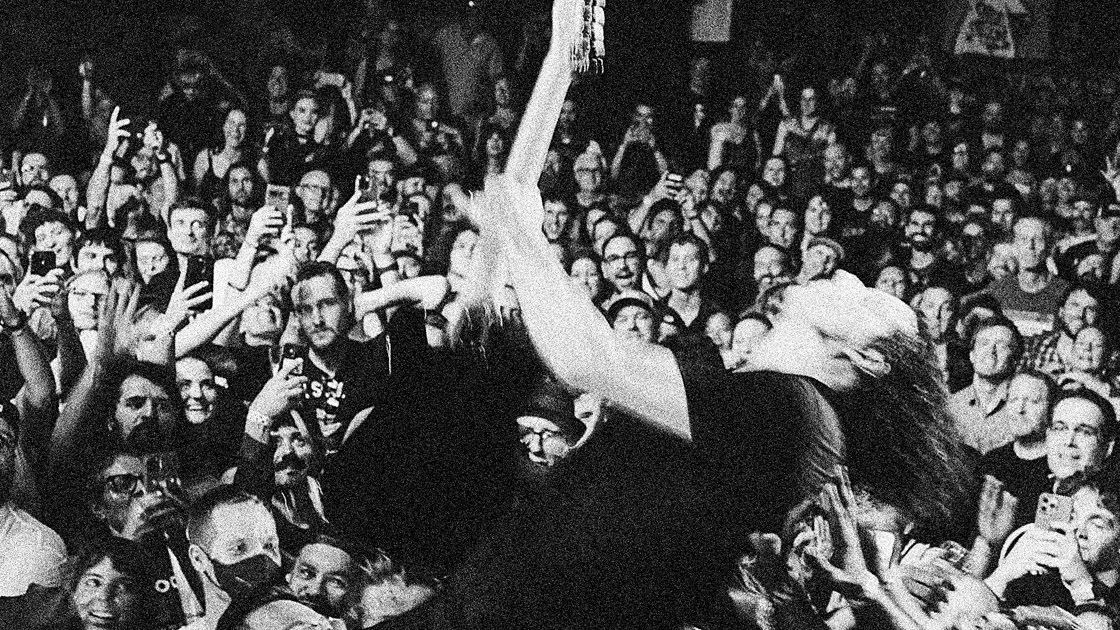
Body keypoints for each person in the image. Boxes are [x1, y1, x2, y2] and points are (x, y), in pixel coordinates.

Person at [984, 215, 1071, 337]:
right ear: (1014, 246)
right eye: (1023, 239)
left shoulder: (1064, 292)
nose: (1030, 246)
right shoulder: (998, 290)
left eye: (1038, 239)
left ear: (1049, 247)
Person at [949, 317, 1023, 455]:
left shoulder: (1023, 408)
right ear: (972, 355)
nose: (991, 351)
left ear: (1015, 360)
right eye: (984, 344)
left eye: (1001, 345)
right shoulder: (951, 406)